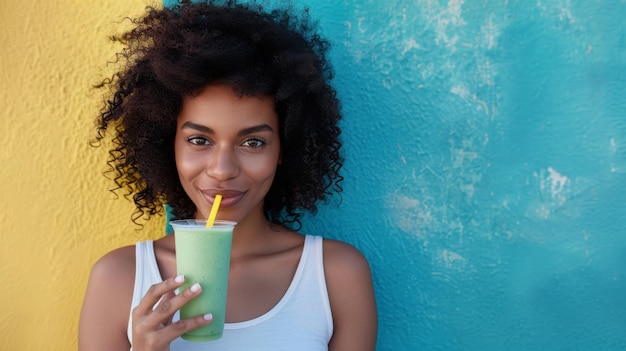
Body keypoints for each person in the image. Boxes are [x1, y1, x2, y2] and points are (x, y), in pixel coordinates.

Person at [78, 0, 377, 350]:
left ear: (284, 149)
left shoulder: (337, 275)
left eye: (253, 142)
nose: (222, 170)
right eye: (199, 140)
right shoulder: (117, 278)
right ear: (166, 143)